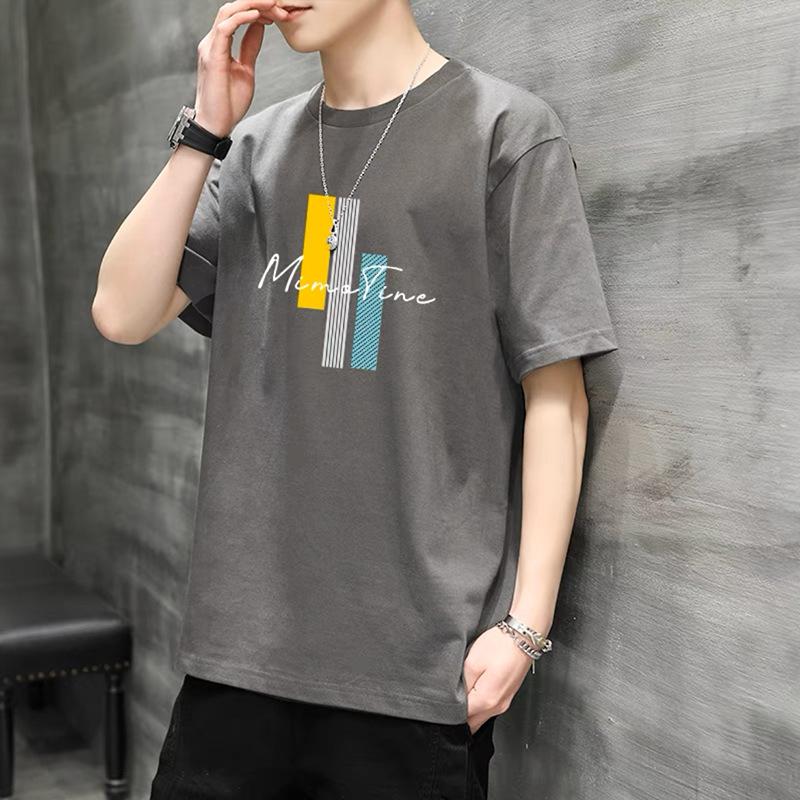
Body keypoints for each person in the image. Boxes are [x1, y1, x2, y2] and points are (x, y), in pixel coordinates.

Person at [92, 1, 620, 797]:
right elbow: (122, 313)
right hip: (240, 664)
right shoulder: (256, 151)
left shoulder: (504, 133)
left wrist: (526, 625)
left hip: (417, 672)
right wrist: (205, 132)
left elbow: (557, 393)